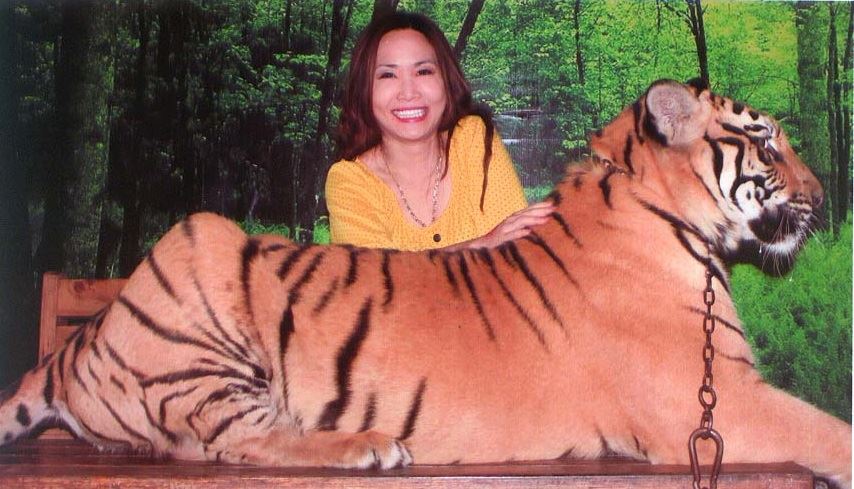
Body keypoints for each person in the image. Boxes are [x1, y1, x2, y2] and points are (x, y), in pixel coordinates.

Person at [325, 11, 554, 251]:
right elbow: (377, 280)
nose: (409, 92)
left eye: (423, 71)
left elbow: (516, 253)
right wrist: (482, 244)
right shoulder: (348, 180)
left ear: (446, 81)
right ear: (364, 91)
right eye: (388, 75)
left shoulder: (473, 138)